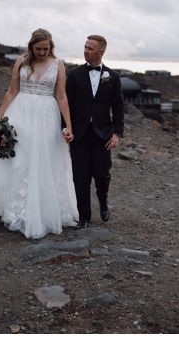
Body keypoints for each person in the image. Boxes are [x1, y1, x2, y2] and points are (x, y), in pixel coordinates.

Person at [0, 29, 79, 239]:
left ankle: (40, 210)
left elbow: (62, 96)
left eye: (46, 49)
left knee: (42, 159)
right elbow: (12, 91)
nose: (42, 52)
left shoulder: (58, 64)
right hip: (20, 113)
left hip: (46, 116)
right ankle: (12, 208)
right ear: (31, 47)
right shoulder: (21, 61)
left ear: (51, 46)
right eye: (38, 49)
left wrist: (69, 126)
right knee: (18, 159)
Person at [66, 34, 126, 225]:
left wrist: (117, 133)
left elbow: (118, 107)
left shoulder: (113, 77)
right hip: (79, 134)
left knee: (102, 174)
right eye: (85, 47)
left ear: (101, 52)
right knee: (80, 176)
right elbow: (66, 104)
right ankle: (84, 217)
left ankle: (103, 202)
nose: (85, 51)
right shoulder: (74, 75)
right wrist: (66, 128)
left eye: (90, 48)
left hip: (103, 135)